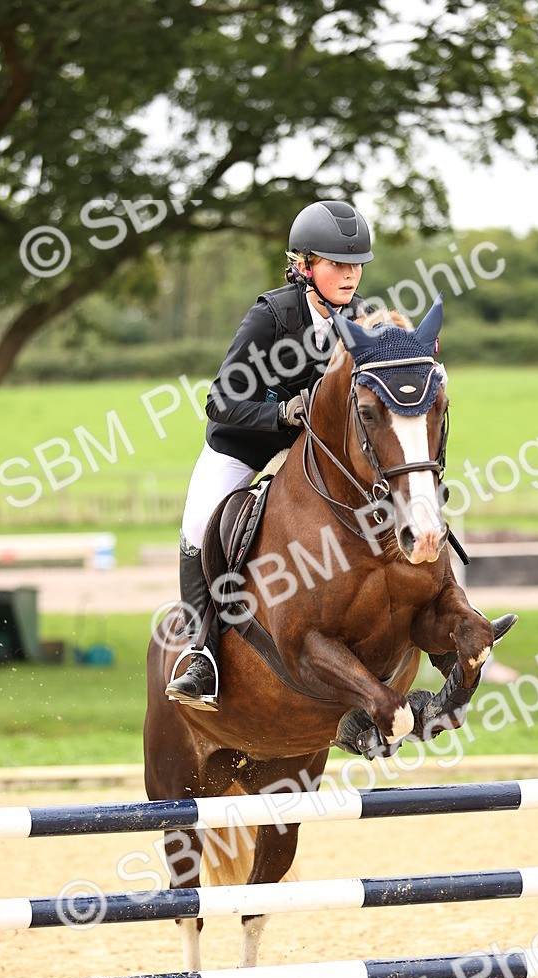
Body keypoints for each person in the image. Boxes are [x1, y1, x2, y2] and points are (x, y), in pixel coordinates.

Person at [166, 199, 374, 707]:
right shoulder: (272, 316)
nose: (350, 276)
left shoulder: (363, 320)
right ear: (304, 266)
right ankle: (202, 653)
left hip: (312, 458)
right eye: (337, 265)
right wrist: (278, 415)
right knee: (198, 529)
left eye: (356, 266)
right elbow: (218, 402)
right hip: (243, 447)